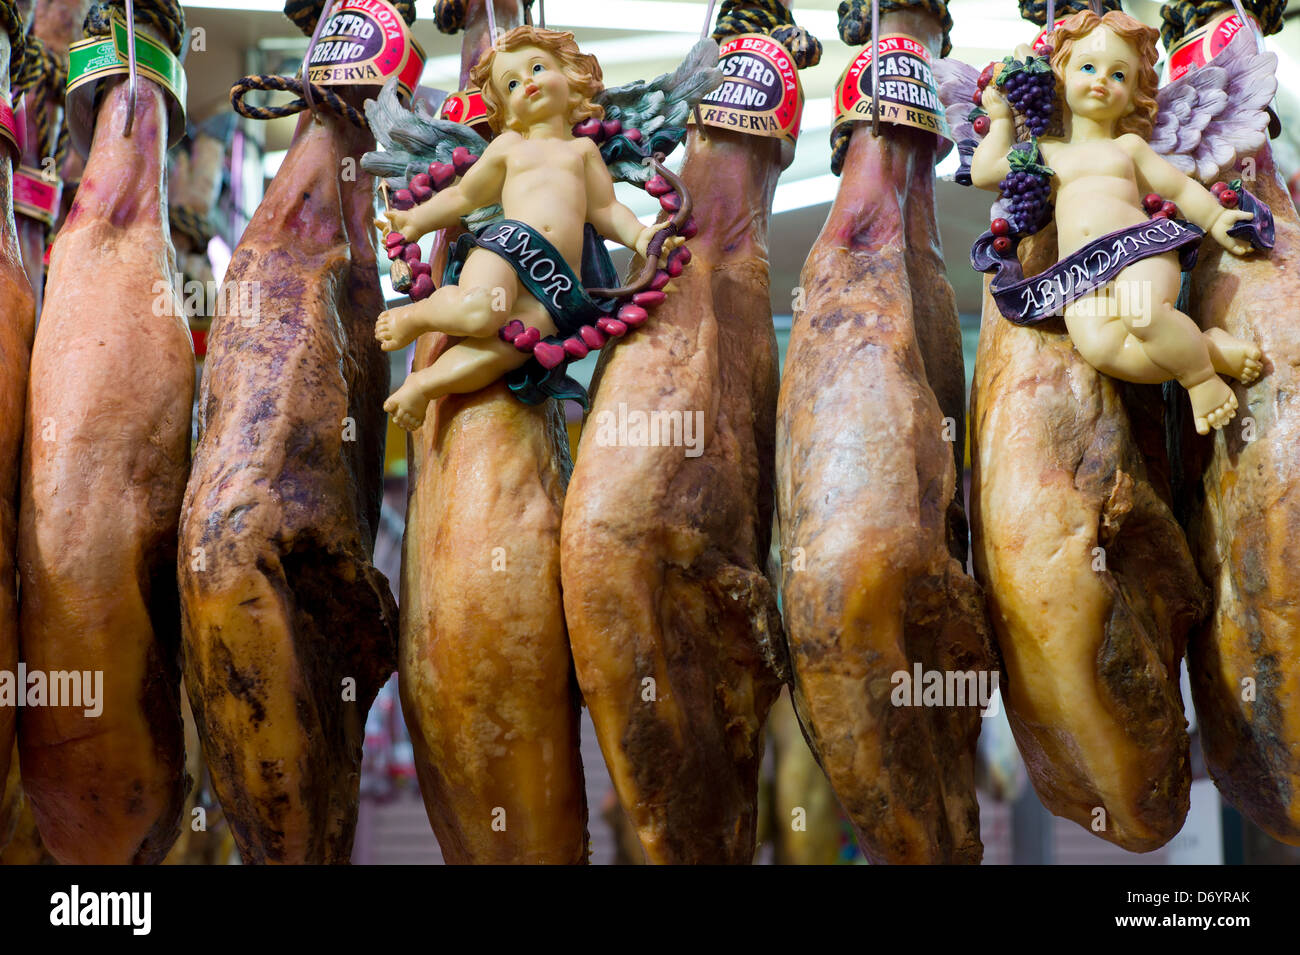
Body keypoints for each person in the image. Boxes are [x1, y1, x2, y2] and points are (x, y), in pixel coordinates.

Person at [373, 25, 679, 430]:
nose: (528, 82)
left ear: (571, 79)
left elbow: (606, 210)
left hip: (555, 283)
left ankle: (423, 385)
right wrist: (414, 220)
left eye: (537, 67)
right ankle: (417, 317)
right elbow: (465, 198)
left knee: (513, 347)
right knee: (480, 312)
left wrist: (642, 236)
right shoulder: (508, 147)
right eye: (512, 83)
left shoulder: (583, 151)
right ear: (507, 107)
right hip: (506, 249)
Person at [971, 9, 1262, 436]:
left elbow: (1177, 189)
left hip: (1135, 249)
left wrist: (1216, 216)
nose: (1101, 80)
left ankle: (1200, 379)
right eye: (1087, 67)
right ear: (1061, 77)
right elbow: (986, 172)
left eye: (1119, 75)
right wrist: (999, 119)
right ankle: (1210, 349)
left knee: (1143, 316)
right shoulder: (1047, 151)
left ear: (1134, 93)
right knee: (1103, 348)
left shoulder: (1127, 147)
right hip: (1079, 272)